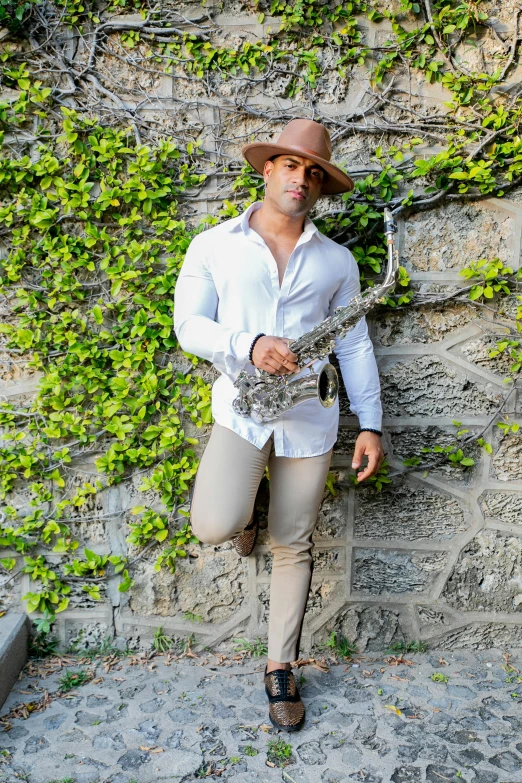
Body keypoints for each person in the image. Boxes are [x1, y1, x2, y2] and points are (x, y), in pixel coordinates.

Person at [173, 118, 385, 731]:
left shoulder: (336, 261)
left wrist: (369, 423)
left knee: (295, 542)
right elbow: (190, 326)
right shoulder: (212, 245)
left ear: (319, 187)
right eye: (291, 166)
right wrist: (250, 342)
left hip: (309, 417)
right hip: (243, 411)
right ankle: (251, 507)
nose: (301, 179)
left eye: (313, 172)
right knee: (216, 523)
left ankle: (281, 668)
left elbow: (355, 345)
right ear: (267, 170)